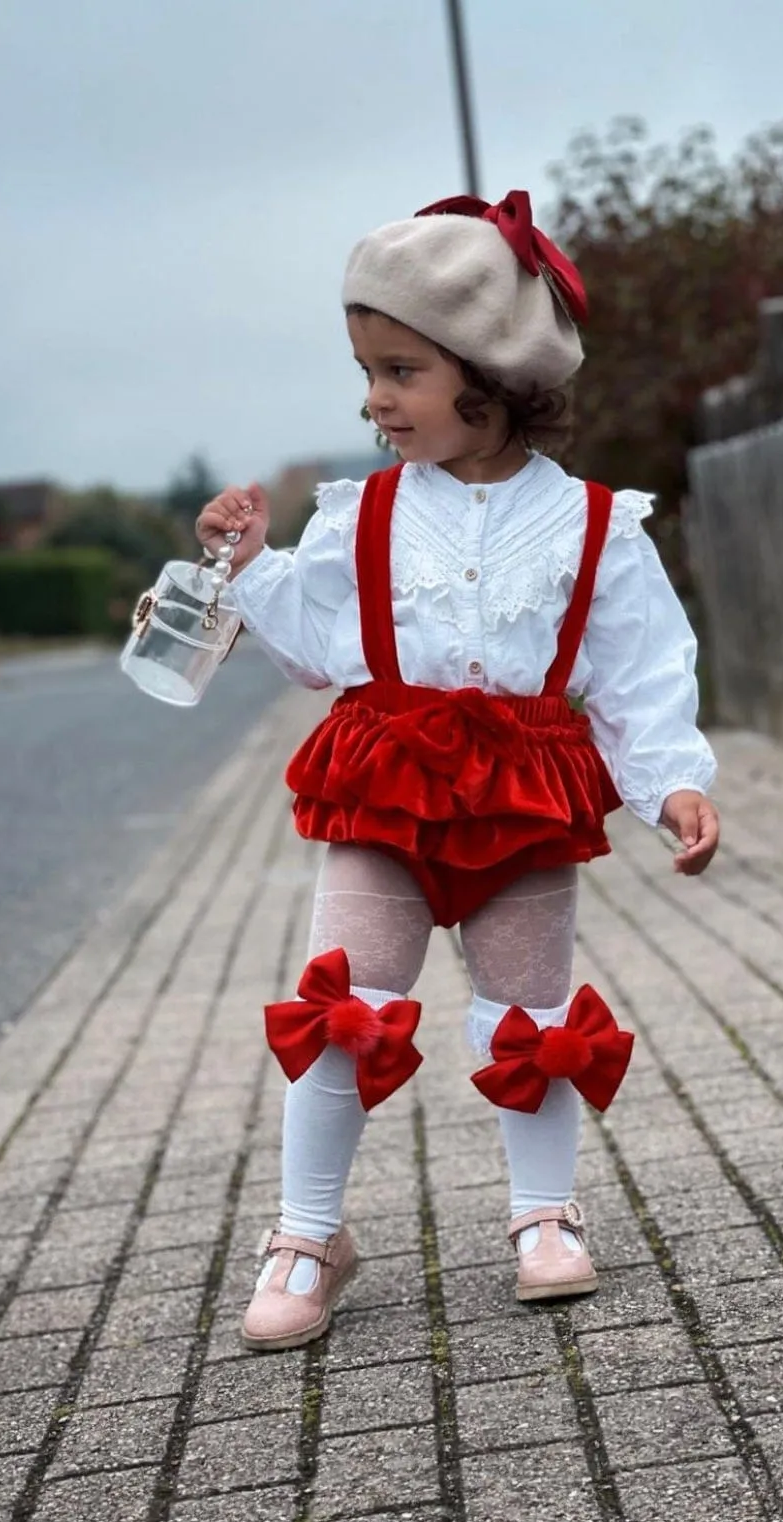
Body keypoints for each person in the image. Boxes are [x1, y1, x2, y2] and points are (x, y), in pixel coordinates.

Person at [195, 190, 719, 1352]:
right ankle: (307, 1233)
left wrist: (672, 782)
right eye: (366, 371)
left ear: (493, 376)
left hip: (527, 789)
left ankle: (544, 1217)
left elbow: (638, 673)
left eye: (400, 371)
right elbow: (310, 646)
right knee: (347, 1010)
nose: (374, 399)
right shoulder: (362, 514)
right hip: (385, 779)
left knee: (528, 1018)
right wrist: (248, 566)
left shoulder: (596, 525)